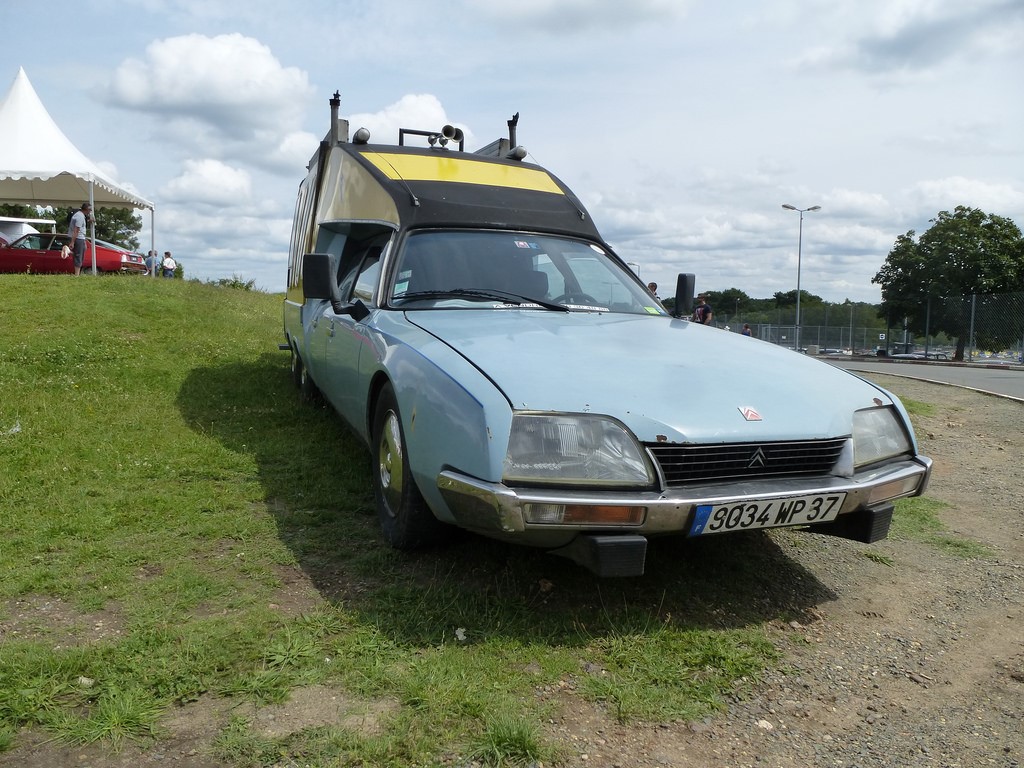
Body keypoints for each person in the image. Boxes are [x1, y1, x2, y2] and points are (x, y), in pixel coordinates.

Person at [67, 202, 91, 276]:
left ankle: (77, 272)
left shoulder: (79, 215)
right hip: (78, 238)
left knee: (83, 250)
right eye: (90, 210)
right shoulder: (80, 217)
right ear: (87, 209)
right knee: (79, 255)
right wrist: (72, 242)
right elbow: (76, 230)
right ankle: (77, 274)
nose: (90, 212)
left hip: (80, 238)